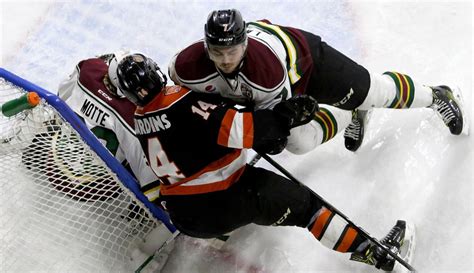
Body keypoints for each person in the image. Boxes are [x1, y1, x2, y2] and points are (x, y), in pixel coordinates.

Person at [115, 52, 415, 271]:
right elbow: (244, 131)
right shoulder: (182, 102)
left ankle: (223, 230)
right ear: (155, 72)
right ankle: (376, 254)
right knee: (307, 208)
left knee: (235, 189)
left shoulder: (141, 118)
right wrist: (283, 117)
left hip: (183, 217)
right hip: (221, 201)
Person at [168, 9, 464, 153]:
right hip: (270, 84)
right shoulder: (185, 67)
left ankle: (437, 95)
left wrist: (263, 133)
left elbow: (274, 124)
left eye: (232, 50)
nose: (226, 59)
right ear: (206, 46)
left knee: (374, 93)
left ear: (244, 44)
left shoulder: (264, 72)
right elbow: (180, 97)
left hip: (307, 60)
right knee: (297, 145)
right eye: (218, 52)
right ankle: (349, 116)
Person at [57, 50, 175, 271]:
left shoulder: (89, 69)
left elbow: (61, 93)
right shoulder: (133, 118)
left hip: (53, 161)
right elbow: (150, 181)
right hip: (92, 192)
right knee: (151, 186)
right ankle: (140, 235)